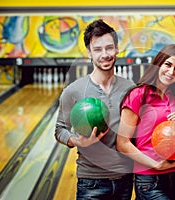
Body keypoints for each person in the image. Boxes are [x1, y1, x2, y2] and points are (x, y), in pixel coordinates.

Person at [55, 19, 134, 200]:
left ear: (116, 48)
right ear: (89, 53)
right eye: (98, 49)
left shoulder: (130, 88)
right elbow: (60, 130)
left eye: (109, 48)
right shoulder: (73, 91)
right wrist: (77, 141)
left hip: (125, 179)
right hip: (90, 181)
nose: (105, 54)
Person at [116, 44, 175, 200]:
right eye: (168, 65)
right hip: (150, 179)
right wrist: (156, 164)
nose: (171, 72)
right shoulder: (137, 95)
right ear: (159, 63)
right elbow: (122, 144)